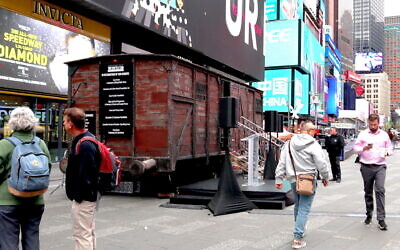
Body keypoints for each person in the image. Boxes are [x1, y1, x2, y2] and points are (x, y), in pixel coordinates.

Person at [0, 107, 51, 250]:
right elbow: (47, 168)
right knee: (32, 239)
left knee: (8, 242)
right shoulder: (41, 144)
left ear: (12, 123)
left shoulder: (4, 144)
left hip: (7, 201)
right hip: (35, 200)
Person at [275, 120, 329, 249]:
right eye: (314, 130)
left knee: (298, 206)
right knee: (304, 208)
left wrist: (278, 179)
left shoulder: (288, 144)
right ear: (309, 131)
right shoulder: (314, 144)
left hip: (293, 179)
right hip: (308, 180)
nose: (315, 133)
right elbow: (321, 163)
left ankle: (299, 228)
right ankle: (297, 237)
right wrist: (325, 177)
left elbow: (282, 162)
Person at [64, 107, 100, 250]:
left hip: (84, 198)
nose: (64, 124)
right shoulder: (86, 139)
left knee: (82, 235)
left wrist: (77, 195)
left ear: (71, 124)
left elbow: (87, 174)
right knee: (88, 232)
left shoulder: (84, 144)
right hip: (87, 196)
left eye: (65, 121)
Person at [353, 114, 392, 230]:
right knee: (368, 191)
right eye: (371, 124)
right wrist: (363, 148)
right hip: (366, 166)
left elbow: (390, 148)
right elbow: (355, 149)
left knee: (380, 190)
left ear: (378, 123)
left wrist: (387, 153)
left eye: (375, 124)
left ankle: (381, 219)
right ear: (368, 123)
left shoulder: (384, 135)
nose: (373, 126)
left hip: (380, 166)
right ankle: (369, 214)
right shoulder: (363, 134)